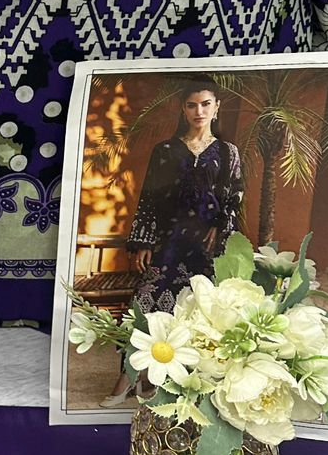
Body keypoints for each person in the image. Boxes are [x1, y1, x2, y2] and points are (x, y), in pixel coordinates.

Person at [100, 76, 245, 408]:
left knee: (194, 312)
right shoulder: (165, 150)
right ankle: (126, 378)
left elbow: (234, 196)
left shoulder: (228, 152)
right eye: (192, 105)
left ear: (217, 107)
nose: (199, 111)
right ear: (183, 109)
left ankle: (160, 381)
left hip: (206, 246)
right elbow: (149, 198)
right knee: (145, 305)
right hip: (168, 239)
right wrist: (143, 240)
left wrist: (220, 227)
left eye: (205, 104)